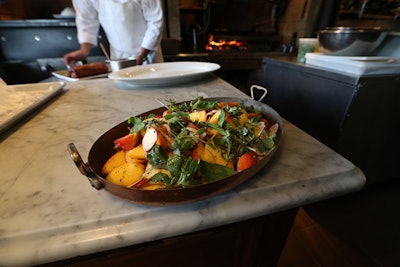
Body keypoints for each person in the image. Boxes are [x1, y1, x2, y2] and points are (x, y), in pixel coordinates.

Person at [64, 0, 164, 66]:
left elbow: (155, 21)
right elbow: (86, 19)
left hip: (148, 56)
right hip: (117, 57)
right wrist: (84, 50)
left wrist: (142, 55)